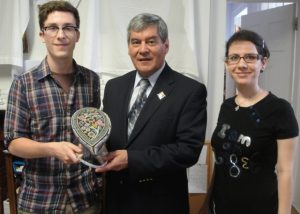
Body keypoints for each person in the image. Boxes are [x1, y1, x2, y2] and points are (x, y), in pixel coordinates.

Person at [95, 13, 207, 214]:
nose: (143, 50)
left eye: (151, 41)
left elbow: (188, 150)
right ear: (129, 48)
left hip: (161, 204)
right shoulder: (114, 87)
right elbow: (109, 134)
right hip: (116, 202)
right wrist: (91, 144)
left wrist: (132, 159)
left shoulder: (189, 91)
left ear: (166, 46)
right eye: (135, 42)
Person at [4, 1, 102, 213]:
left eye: (68, 27)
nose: (61, 35)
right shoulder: (23, 84)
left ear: (77, 35)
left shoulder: (92, 81)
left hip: (85, 200)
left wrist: (102, 151)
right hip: (40, 202)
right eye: (52, 28)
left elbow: (93, 132)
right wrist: (52, 149)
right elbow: (13, 143)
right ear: (42, 35)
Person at [209, 30, 299, 214]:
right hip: (223, 205)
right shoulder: (226, 106)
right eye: (234, 57)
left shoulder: (280, 110)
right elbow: (221, 161)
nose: (241, 64)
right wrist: (207, 201)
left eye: (250, 57)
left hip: (261, 207)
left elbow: (285, 172)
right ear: (227, 64)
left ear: (263, 62)